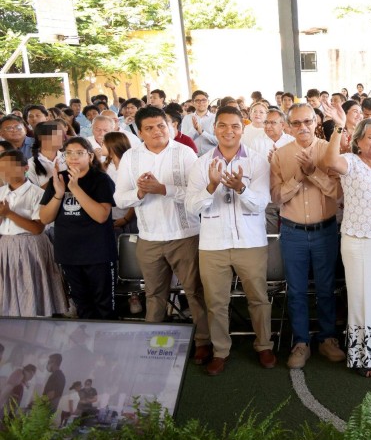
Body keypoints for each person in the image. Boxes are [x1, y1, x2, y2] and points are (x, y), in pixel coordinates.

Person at [113, 106, 213, 364]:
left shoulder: (185, 153)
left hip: (186, 235)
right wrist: (140, 193)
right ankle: (155, 346)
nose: (157, 131)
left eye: (161, 125)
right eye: (150, 128)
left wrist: (162, 188)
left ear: (169, 125)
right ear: (139, 131)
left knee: (195, 293)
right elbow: (120, 199)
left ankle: (203, 342)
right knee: (155, 295)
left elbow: (197, 193)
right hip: (149, 238)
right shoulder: (130, 158)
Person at [185, 106, 275, 375]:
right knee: (216, 302)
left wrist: (241, 188)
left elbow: (261, 204)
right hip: (213, 244)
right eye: (223, 126)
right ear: (214, 129)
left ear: (243, 129)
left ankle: (264, 345)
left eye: (235, 126)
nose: (229, 131)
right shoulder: (201, 164)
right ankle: (220, 350)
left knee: (258, 298)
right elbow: (192, 206)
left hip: (250, 242)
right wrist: (211, 187)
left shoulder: (257, 162)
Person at [323, 118, 371, 378]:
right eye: (370, 136)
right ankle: (364, 355)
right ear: (358, 141)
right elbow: (329, 162)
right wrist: (337, 132)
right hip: (358, 239)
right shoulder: (350, 161)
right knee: (363, 296)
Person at [269, 104, 342, 368]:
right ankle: (301, 342)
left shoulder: (329, 151)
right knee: (297, 290)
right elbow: (276, 197)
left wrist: (315, 173)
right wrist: (299, 178)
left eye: (308, 122)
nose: (303, 128)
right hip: (293, 232)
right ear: (288, 126)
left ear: (316, 123)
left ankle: (327, 339)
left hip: (325, 230)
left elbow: (338, 193)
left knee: (326, 288)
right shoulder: (280, 155)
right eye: (296, 123)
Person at [37, 136, 117, 320]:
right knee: (82, 304)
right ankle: (87, 344)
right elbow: (45, 217)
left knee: (104, 305)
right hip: (69, 253)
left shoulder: (100, 180)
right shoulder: (58, 179)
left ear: (89, 156)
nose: (73, 157)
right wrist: (58, 193)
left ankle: (107, 344)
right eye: (69, 153)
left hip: (98, 253)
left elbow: (101, 216)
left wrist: (75, 189)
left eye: (79, 153)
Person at [0, 149, 67, 317]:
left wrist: (9, 213)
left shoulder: (38, 193)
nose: (6, 172)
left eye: (11, 167)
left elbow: (37, 228)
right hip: (6, 246)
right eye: (2, 168)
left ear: (24, 167)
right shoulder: (1, 193)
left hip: (31, 246)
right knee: (8, 292)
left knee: (31, 289)